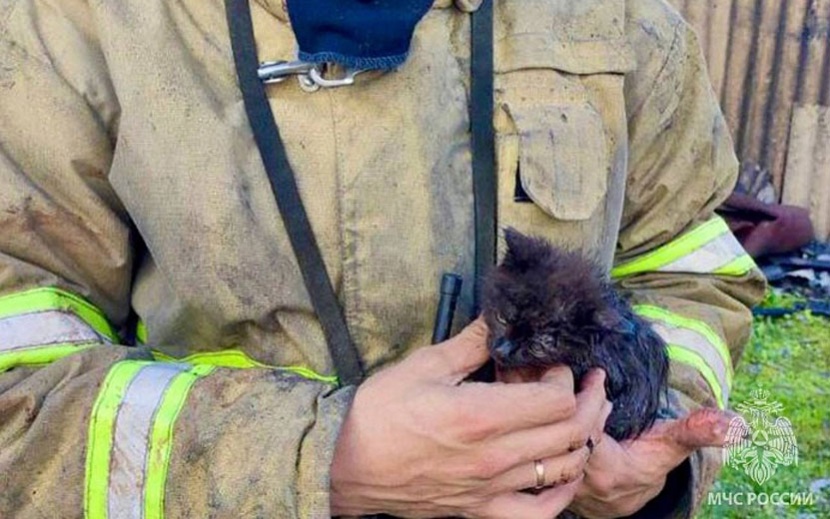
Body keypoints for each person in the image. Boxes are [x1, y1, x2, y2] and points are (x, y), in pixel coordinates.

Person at [0, 0, 765, 517]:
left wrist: (644, 430)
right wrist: (317, 456)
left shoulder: (624, 17)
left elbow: (687, 265)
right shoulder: (69, 24)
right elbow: (16, 377)